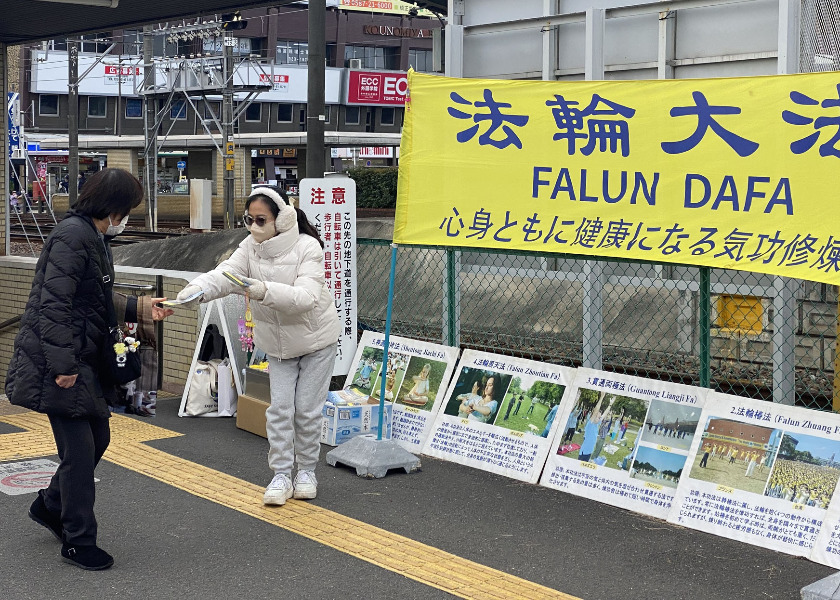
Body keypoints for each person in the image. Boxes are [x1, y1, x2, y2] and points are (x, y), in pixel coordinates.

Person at [5, 168, 172, 571]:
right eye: (127, 209)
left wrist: (139, 308)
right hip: (61, 360)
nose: (127, 217)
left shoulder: (91, 236)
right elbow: (53, 304)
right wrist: (63, 366)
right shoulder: (73, 236)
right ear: (113, 206)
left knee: (98, 438)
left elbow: (95, 292)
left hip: (79, 355)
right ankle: (79, 541)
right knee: (80, 453)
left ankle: (50, 504)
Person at [176, 185, 340, 507]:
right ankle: (280, 473)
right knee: (279, 411)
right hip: (277, 346)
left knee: (306, 411)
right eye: (248, 220)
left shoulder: (309, 248)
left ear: (282, 218)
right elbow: (226, 275)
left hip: (316, 341)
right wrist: (196, 290)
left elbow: (306, 298)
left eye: (261, 220)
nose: (253, 227)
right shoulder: (250, 247)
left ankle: (306, 471)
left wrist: (262, 289)